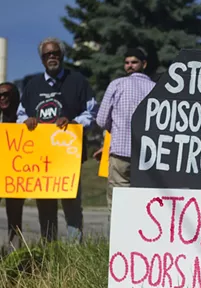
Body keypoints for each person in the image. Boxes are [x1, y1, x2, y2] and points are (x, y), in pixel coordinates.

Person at [16, 37, 98, 243]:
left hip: (68, 157)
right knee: (45, 206)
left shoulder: (78, 80)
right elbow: (20, 115)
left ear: (62, 55)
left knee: (71, 205)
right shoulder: (32, 85)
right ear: (41, 59)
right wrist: (27, 121)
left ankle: (74, 255)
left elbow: (91, 112)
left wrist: (72, 122)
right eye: (47, 55)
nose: (52, 57)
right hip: (40, 159)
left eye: (55, 53)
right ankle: (49, 251)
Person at [96, 48, 155, 220]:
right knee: (141, 201)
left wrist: (114, 128)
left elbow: (100, 120)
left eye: (134, 62)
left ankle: (117, 242)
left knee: (117, 202)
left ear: (144, 64)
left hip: (120, 152)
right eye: (127, 62)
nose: (129, 66)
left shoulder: (117, 84)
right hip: (146, 154)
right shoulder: (156, 88)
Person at [0, 82, 25, 250]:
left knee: (15, 219)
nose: (2, 98)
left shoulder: (24, 120)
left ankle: (15, 256)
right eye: (0, 95)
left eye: (6, 94)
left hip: (15, 177)